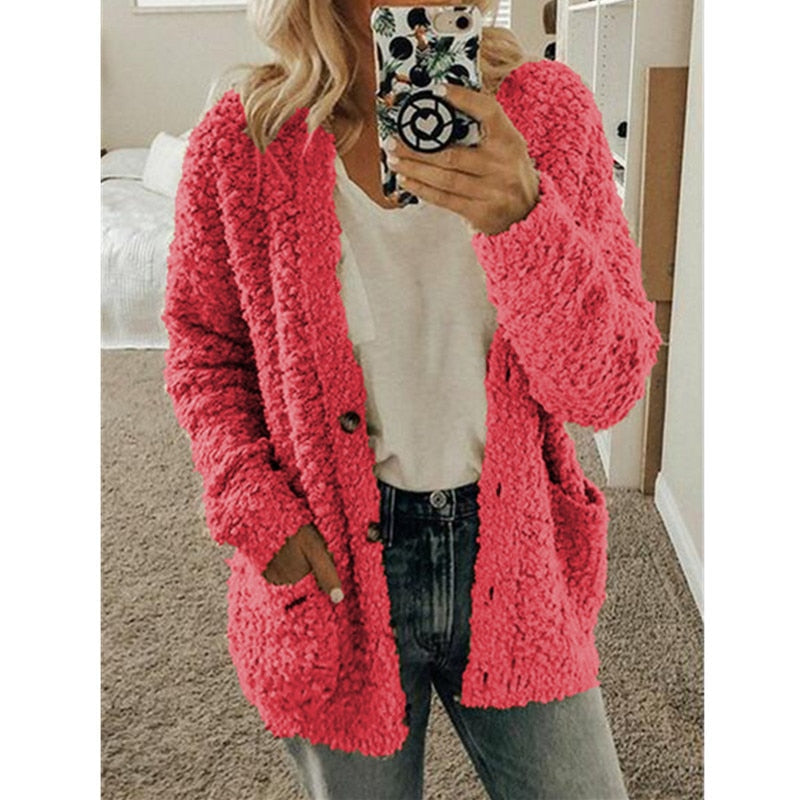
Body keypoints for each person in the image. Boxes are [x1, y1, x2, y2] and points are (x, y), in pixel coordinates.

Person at [161, 1, 662, 797]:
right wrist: (254, 505)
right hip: (332, 572)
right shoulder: (243, 140)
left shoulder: (549, 114)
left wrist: (523, 214)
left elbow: (606, 388)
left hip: (516, 557)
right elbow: (204, 351)